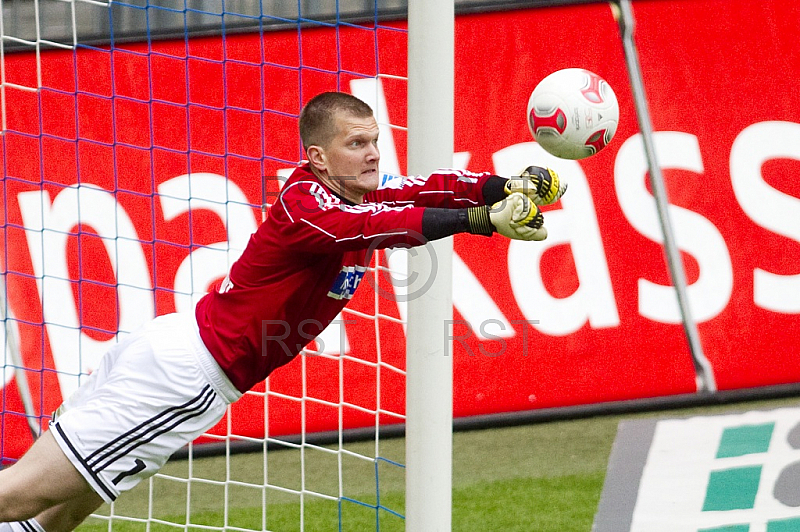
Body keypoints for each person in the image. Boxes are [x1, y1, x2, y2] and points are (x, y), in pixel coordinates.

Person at [0, 91, 566, 531]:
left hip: (172, 347)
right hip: (185, 378)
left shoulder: (361, 190)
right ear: (318, 156)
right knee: (27, 493)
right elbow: (371, 229)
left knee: (71, 505)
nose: (372, 153)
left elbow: (430, 186)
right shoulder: (307, 204)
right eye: (355, 144)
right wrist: (479, 222)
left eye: (374, 140)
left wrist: (503, 185)